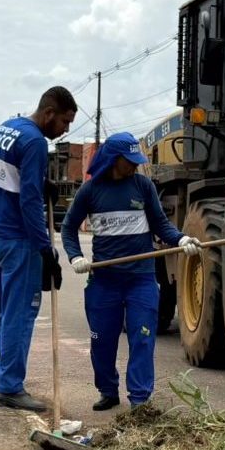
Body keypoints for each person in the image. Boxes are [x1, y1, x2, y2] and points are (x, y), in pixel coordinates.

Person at [63, 133, 200, 411]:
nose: (134, 166)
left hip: (141, 280)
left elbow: (161, 225)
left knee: (143, 337)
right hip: (104, 282)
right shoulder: (90, 192)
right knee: (101, 342)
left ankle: (140, 400)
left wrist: (181, 239)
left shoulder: (143, 186)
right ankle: (108, 390)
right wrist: (75, 256)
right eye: (129, 161)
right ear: (115, 160)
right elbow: (68, 228)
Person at [0, 87, 78, 411]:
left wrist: (39, 180)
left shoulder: (7, 128)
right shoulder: (35, 141)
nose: (65, 130)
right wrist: (45, 250)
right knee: (21, 315)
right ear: (49, 113)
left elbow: (15, 181)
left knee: (6, 312)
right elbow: (30, 201)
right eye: (65, 122)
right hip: (19, 240)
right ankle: (9, 386)